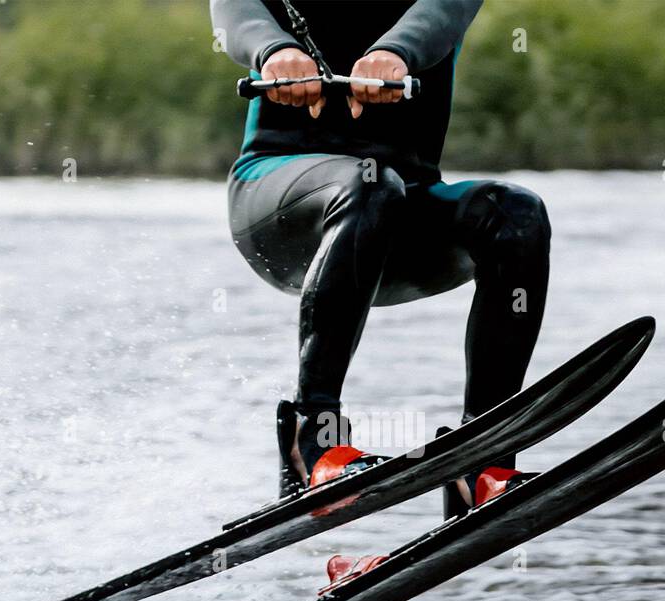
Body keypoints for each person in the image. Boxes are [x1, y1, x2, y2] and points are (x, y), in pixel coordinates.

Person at [211, 0, 551, 518]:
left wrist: (394, 52)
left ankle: (483, 457)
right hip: (277, 207)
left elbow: (441, 14)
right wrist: (274, 50)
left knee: (516, 214)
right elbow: (235, 12)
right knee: (369, 183)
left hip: (401, 221)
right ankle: (315, 442)